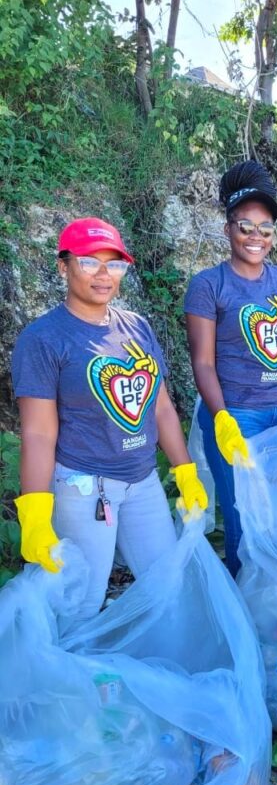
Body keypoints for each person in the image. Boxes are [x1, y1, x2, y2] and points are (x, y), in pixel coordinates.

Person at [12, 217, 208, 618]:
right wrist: (33, 509)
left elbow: (162, 407)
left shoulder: (135, 326)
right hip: (86, 488)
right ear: (63, 266)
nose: (104, 275)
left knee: (166, 587)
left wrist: (185, 472)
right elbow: (37, 433)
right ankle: (68, 680)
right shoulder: (43, 339)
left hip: (143, 481)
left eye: (115, 264)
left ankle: (157, 673)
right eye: (89, 262)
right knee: (80, 603)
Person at [185, 159, 277, 576]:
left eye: (265, 228)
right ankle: (248, 611)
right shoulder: (208, 285)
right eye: (244, 226)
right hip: (237, 415)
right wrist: (222, 418)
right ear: (227, 228)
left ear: (274, 234)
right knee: (244, 518)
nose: (255, 236)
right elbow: (202, 361)